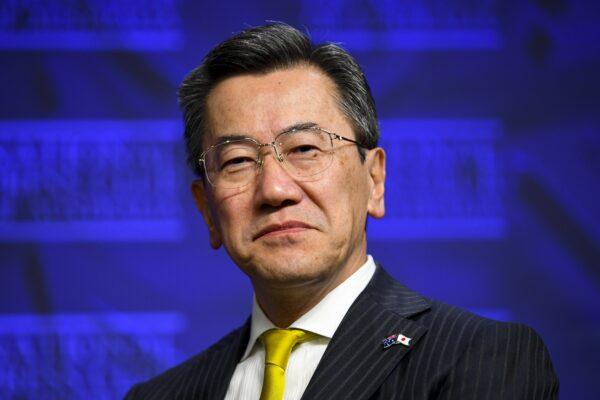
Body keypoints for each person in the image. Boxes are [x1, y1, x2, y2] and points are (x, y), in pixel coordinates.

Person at [125, 23, 559, 399]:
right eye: (237, 160)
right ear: (207, 212)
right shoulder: (159, 395)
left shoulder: (480, 358)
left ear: (374, 180)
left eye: (305, 149)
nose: (274, 189)